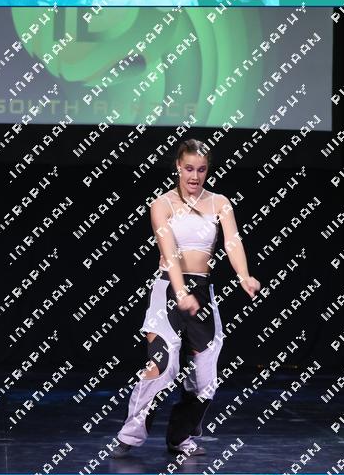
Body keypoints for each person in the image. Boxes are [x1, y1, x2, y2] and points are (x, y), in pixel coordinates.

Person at [111, 139, 261, 458]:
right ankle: (130, 434)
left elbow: (232, 242)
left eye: (201, 170)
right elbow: (169, 253)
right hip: (168, 288)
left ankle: (180, 437)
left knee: (205, 380)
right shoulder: (161, 204)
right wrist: (180, 292)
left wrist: (244, 275)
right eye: (189, 168)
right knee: (162, 366)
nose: (195, 176)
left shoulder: (220, 202)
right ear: (178, 166)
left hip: (202, 291)